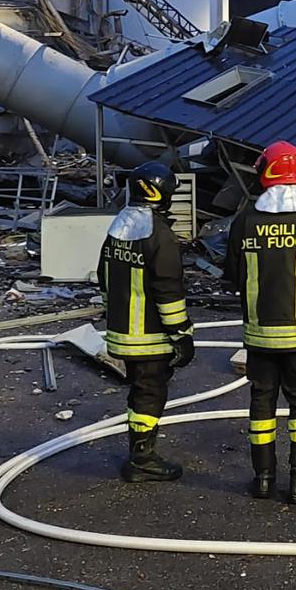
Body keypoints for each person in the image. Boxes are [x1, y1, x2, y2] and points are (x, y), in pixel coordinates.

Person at [226, 141, 296, 504]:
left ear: (265, 172)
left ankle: (262, 478)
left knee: (261, 403)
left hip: (259, 334)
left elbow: (232, 275)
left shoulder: (245, 221)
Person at [97, 162, 195, 482]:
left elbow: (103, 277)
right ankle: (142, 459)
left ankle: (140, 453)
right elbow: (168, 290)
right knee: (150, 394)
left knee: (140, 392)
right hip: (150, 337)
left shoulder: (119, 228)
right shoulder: (160, 236)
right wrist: (181, 335)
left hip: (121, 332)